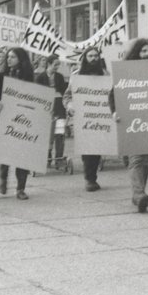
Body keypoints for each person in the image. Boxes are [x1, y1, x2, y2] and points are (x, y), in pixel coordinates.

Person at [110, 38, 148, 213]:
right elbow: (113, 93)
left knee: (147, 159)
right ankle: (139, 194)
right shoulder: (126, 71)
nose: (147, 54)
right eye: (143, 51)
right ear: (137, 53)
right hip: (131, 120)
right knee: (136, 158)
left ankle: (138, 194)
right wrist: (115, 111)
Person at [0, 47, 35, 200]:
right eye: (8, 57)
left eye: (13, 57)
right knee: (5, 150)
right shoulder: (0, 76)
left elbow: (34, 96)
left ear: (21, 59)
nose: (8, 59)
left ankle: (20, 188)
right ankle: (3, 176)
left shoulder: (28, 77)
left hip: (23, 118)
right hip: (5, 118)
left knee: (22, 154)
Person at [64, 47, 107, 191]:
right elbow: (68, 95)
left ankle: (92, 176)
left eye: (96, 56)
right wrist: (70, 106)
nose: (94, 58)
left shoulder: (106, 75)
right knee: (87, 149)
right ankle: (89, 179)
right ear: (85, 58)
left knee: (97, 148)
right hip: (83, 118)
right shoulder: (76, 75)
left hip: (101, 117)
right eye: (90, 56)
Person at [36, 53, 68, 167]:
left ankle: (59, 158)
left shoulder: (59, 77)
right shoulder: (40, 77)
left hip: (59, 107)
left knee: (60, 133)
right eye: (55, 65)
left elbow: (64, 91)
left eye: (58, 65)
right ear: (49, 64)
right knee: (46, 133)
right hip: (46, 107)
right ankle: (47, 157)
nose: (57, 67)